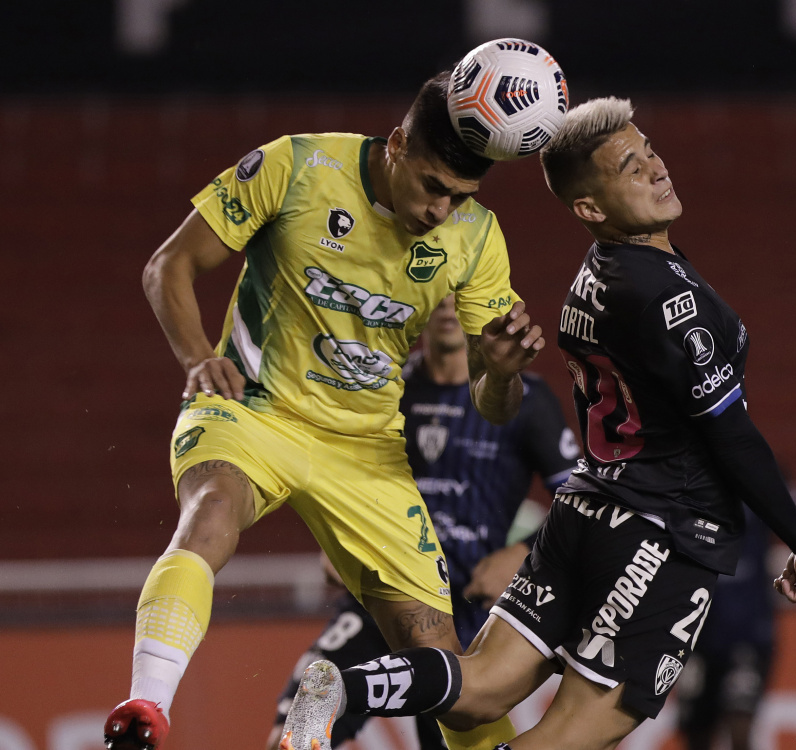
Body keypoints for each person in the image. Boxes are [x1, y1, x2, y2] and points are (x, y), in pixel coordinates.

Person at [277, 96, 796, 750]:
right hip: (664, 533)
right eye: (630, 167)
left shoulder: (595, 276)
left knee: (479, 689)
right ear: (589, 208)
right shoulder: (670, 300)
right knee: (570, 735)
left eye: (648, 150)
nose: (656, 168)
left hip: (584, 512)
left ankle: (346, 687)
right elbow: (730, 434)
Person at [103, 68, 547, 750]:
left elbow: (494, 406)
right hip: (254, 411)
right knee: (212, 513)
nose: (440, 210)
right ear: (397, 144)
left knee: (451, 682)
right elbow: (169, 266)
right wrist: (196, 358)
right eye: (433, 186)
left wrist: (505, 374)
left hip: (367, 452)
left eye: (459, 197)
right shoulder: (298, 167)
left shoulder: (477, 237)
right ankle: (144, 709)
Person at [266, 294, 579, 750]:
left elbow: (578, 499)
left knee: (456, 738)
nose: (448, 308)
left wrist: (523, 553)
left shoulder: (526, 401)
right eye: (439, 295)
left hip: (468, 615)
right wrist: (336, 538)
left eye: (459, 296)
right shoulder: (384, 388)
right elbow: (341, 475)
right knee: (294, 730)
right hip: (385, 594)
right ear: (415, 303)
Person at [675, 483, 796, 750]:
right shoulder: (690, 474)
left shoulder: (765, 474)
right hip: (696, 632)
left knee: (740, 725)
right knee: (696, 732)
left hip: (749, 631)